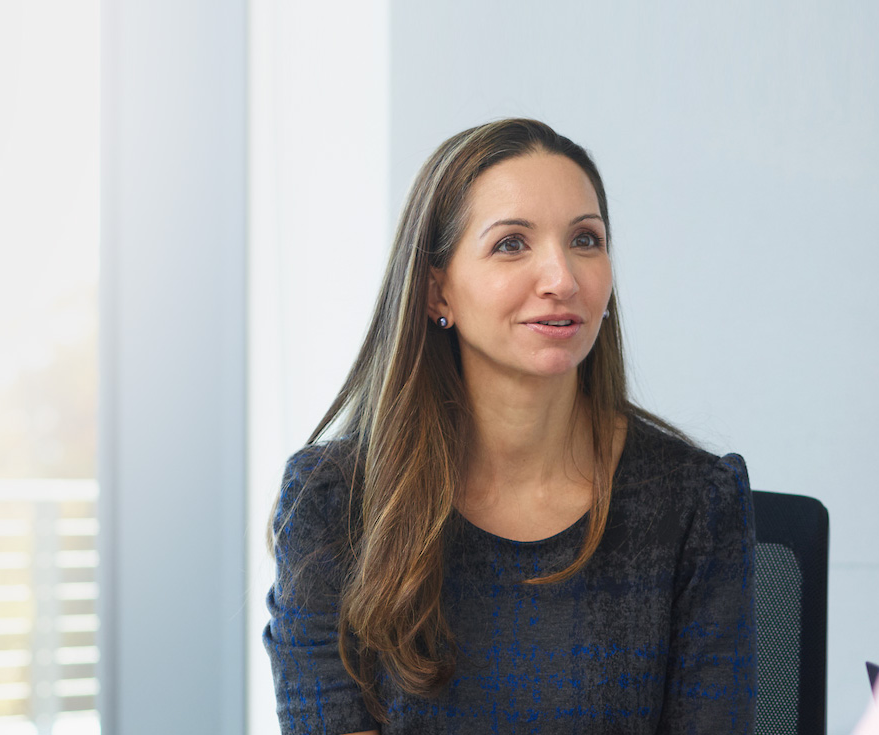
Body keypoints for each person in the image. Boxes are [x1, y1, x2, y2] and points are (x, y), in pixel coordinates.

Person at [263, 118, 756, 734]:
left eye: (585, 240)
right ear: (436, 291)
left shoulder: (693, 501)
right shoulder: (331, 503)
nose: (562, 279)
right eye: (511, 244)